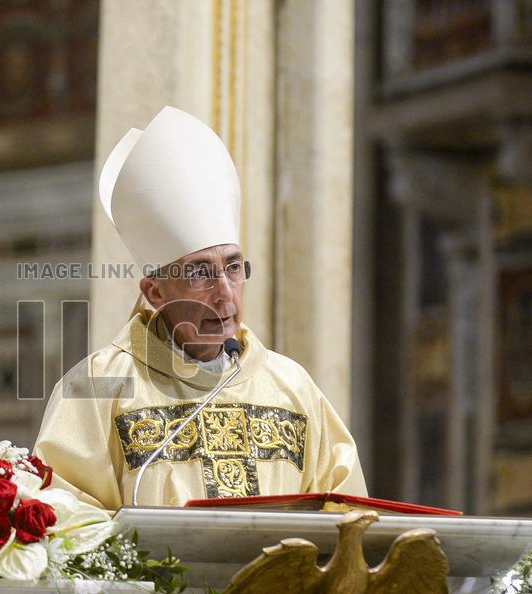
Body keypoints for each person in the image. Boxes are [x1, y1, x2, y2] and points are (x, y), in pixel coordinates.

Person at [32, 106, 367, 510]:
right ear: (154, 293)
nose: (225, 294)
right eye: (200, 273)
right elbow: (63, 515)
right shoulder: (96, 389)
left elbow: (349, 512)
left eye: (234, 268)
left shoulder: (291, 388)